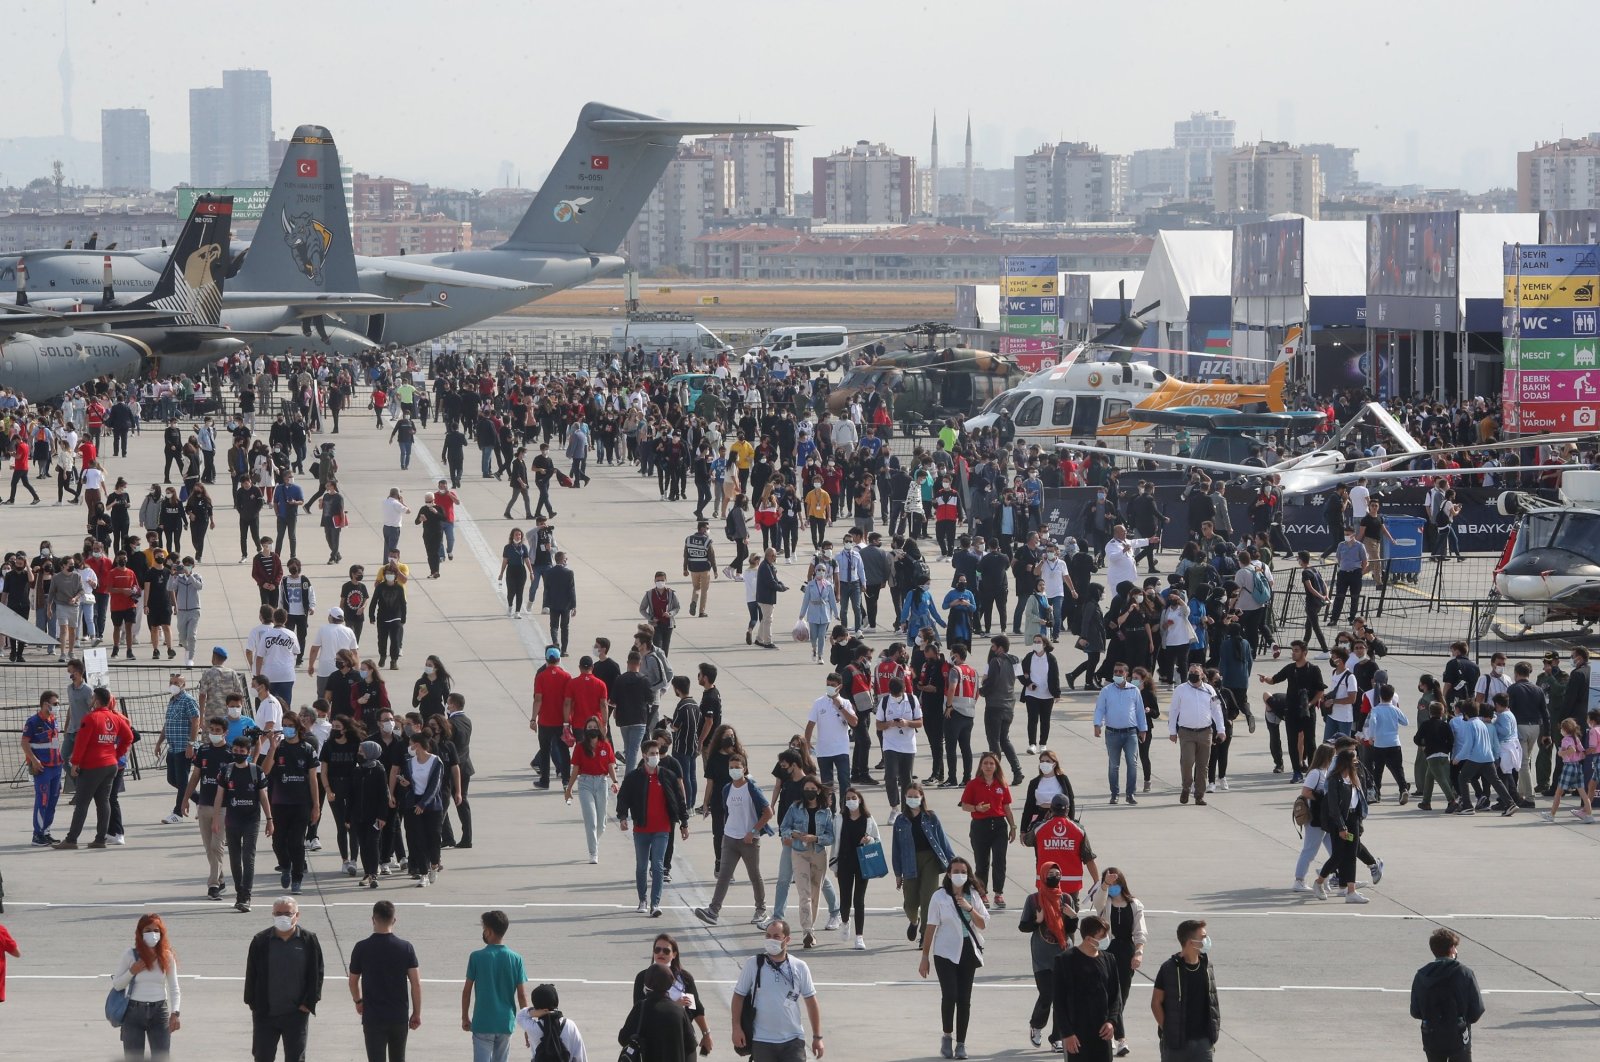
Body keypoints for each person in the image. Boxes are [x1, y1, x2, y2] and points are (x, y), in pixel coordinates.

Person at [918, 855, 989, 1060]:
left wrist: (970, 908)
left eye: (963, 872)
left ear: (968, 875)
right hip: (945, 952)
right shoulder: (939, 897)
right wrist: (925, 957)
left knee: (964, 1000)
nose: (959, 875)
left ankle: (961, 1044)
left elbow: (983, 923)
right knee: (950, 995)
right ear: (948, 874)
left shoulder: (973, 895)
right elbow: (931, 927)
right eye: (956, 871)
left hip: (968, 951)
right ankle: (947, 1037)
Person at [693, 750, 774, 927]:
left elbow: (768, 812)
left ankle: (761, 910)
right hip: (730, 838)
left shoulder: (752, 788)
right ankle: (713, 911)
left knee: (754, 875)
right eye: (731, 767)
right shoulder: (727, 789)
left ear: (744, 769)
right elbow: (727, 811)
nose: (734, 770)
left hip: (749, 841)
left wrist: (752, 832)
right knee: (724, 875)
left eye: (738, 767)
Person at [243, 896, 326, 1062]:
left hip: (296, 1014)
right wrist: (253, 1004)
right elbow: (251, 974)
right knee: (262, 1057)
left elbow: (317, 973)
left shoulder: (309, 940)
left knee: (295, 1058)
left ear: (297, 915)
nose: (282, 917)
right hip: (265, 1014)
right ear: (272, 914)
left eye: (287, 913)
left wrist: (309, 1003)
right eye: (278, 913)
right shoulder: (260, 941)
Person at [730, 919, 825, 1061]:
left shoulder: (799, 967)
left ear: (787, 940)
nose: (770, 940)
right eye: (768, 936)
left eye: (776, 936)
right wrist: (736, 1028)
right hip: (762, 1040)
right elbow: (738, 996)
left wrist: (817, 1037)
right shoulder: (753, 964)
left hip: (793, 1040)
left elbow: (811, 1002)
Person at [54, 686, 134, 850]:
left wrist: (75, 763)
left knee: (82, 803)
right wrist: (116, 754)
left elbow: (81, 743)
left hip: (92, 766)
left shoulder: (90, 718)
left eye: (92, 698)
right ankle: (100, 839)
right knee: (103, 802)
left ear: (96, 700)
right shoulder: (116, 718)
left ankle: (71, 839)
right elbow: (129, 737)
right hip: (110, 765)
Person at [617, 738, 690, 917]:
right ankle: (643, 899)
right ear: (644, 755)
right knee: (642, 866)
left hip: (662, 829)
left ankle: (655, 904)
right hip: (641, 830)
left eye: (657, 754)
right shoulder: (634, 777)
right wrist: (623, 817)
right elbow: (623, 798)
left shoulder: (667, 776)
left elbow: (679, 801)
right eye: (651, 754)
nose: (655, 757)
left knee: (657, 865)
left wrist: (684, 823)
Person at [348, 900, 422, 1062]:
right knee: (398, 1058)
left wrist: (358, 1000)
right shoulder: (406, 947)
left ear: (373, 919)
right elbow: (415, 984)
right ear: (394, 920)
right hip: (398, 1015)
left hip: (373, 1016)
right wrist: (416, 1013)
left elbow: (353, 981)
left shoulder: (361, 947)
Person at [1019, 862, 1078, 1051]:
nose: (1054, 877)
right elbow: (1023, 927)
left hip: (1064, 955)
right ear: (1043, 876)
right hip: (1042, 957)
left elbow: (1070, 930)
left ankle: (1057, 1037)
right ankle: (1036, 1025)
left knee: (1063, 997)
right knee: (1047, 994)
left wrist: (1073, 918)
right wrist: (1037, 921)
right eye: (1050, 873)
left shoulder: (1066, 899)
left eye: (1057, 873)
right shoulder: (1034, 900)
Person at [1093, 868, 1148, 1057]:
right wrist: (1105, 885)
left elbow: (1140, 931)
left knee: (1121, 996)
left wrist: (1139, 953)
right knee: (1109, 994)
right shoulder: (1104, 901)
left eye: (1115, 883)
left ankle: (1110, 1032)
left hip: (1126, 952)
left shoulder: (1134, 904)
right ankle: (1121, 1039)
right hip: (1106, 950)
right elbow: (1097, 902)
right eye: (1109, 882)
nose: (1113, 887)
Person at [111, 913, 181, 1058]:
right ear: (140, 933)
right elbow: (117, 985)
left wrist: (175, 1013)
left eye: (156, 931)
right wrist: (132, 971)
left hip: (159, 1012)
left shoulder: (167, 956)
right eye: (148, 930)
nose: (152, 934)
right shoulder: (130, 955)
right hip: (133, 1012)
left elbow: (174, 987)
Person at [1054, 913, 1123, 1062]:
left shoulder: (1109, 959)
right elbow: (1059, 1002)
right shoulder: (1065, 960)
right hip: (1076, 1034)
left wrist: (1112, 1022)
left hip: (1102, 1033)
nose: (1106, 938)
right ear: (1088, 938)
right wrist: (1067, 1034)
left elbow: (1115, 996)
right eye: (1102, 935)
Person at [1150, 919, 1221, 1062]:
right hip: (1176, 1045)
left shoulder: (1207, 967)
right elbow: (1156, 1002)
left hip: (1203, 1043)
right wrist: (1168, 1029)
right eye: (1203, 937)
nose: (1206, 940)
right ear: (1190, 942)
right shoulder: (1168, 968)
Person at [1410, 927, 1485, 1062]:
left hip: (1431, 1034)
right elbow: (1477, 1009)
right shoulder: (1464, 973)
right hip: (1458, 1034)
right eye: (1455, 948)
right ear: (1451, 949)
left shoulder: (1421, 975)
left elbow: (1415, 1011)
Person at [463, 910, 529, 1062]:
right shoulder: (516, 959)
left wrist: (465, 1017)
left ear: (489, 931)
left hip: (483, 1022)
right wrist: (527, 1026)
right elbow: (521, 995)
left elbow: (467, 991)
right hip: (505, 1022)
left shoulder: (476, 957)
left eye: (484, 929)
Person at [891, 781, 953, 943]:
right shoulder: (900, 820)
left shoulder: (931, 817)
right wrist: (898, 873)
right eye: (909, 796)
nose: (912, 799)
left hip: (930, 861)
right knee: (910, 903)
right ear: (905, 798)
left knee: (928, 900)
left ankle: (924, 935)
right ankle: (914, 920)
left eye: (915, 796)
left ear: (922, 797)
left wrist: (953, 865)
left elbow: (943, 841)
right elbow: (896, 848)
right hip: (909, 862)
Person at [779, 774, 836, 949]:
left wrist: (816, 838)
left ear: (818, 790)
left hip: (818, 852)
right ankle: (807, 931)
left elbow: (830, 836)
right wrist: (794, 834)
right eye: (806, 789)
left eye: (813, 789)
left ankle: (811, 928)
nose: (809, 792)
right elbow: (784, 827)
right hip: (799, 851)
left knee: (815, 892)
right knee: (804, 894)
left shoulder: (825, 811)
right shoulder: (795, 807)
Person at [267, 714, 322, 895]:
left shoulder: (307, 749)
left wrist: (316, 806)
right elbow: (264, 771)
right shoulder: (278, 747)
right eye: (284, 725)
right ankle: (285, 866)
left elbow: (313, 779)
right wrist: (272, 749)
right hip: (279, 803)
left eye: (290, 725)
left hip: (301, 803)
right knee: (278, 841)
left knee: (296, 843)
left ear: (298, 727)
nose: (287, 728)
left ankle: (297, 878)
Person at [631, 934, 712, 1056]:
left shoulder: (685, 978)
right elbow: (640, 1008)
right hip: (653, 1039)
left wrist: (706, 1034)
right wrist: (675, 1006)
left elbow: (696, 1009)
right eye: (657, 950)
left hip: (682, 1037)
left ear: (674, 954)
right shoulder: (643, 977)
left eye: (666, 950)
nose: (661, 953)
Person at [1312, 747, 1371, 903]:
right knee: (1338, 855)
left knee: (1351, 855)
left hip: (1353, 819)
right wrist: (1341, 827)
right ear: (1346, 762)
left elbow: (1359, 803)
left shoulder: (1355, 778)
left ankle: (1351, 892)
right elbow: (1334, 807)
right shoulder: (1334, 780)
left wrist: (1359, 822)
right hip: (1339, 821)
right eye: (1354, 760)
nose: (1357, 762)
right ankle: (1319, 882)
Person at [958, 751, 1015, 909]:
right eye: (985, 763)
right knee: (981, 862)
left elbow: (1007, 807)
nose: (988, 766)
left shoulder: (1001, 784)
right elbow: (964, 805)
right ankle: (982, 893)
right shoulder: (973, 784)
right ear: (981, 766)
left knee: (999, 861)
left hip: (999, 826)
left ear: (996, 766)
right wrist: (976, 808)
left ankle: (999, 893)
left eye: (991, 763)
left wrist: (1013, 826)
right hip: (980, 826)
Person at [392, 731, 445, 886]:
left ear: (417, 744)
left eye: (411, 744)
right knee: (418, 839)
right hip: (412, 805)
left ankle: (434, 864)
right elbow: (412, 784)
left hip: (432, 806)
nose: (409, 747)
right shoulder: (409, 762)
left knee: (433, 838)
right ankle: (423, 873)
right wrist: (407, 784)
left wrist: (423, 804)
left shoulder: (436, 762)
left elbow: (435, 786)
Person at [1168, 665, 1226, 805]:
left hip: (1205, 732)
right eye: (1191, 672)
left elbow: (1216, 710)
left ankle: (1199, 795)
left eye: (1196, 672)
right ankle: (1186, 787)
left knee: (1202, 765)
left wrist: (1221, 729)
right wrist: (1172, 731)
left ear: (1202, 675)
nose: (1193, 674)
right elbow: (1174, 710)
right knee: (1187, 762)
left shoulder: (1209, 689)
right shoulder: (1181, 689)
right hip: (1186, 732)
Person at [1093, 662, 1148, 805]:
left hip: (1130, 733)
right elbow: (1100, 709)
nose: (1117, 674)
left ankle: (1130, 794)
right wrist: (1097, 724)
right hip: (1112, 733)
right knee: (1114, 765)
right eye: (1115, 671)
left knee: (1132, 763)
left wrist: (1143, 729)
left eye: (1120, 672)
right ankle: (1114, 794)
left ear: (1126, 674)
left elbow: (1139, 711)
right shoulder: (1107, 690)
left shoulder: (1134, 690)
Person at [833, 787, 879, 950]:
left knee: (859, 900)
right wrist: (835, 865)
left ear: (860, 800)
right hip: (845, 863)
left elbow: (877, 839)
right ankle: (845, 921)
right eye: (848, 798)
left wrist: (869, 840)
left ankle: (859, 936)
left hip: (862, 864)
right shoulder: (839, 818)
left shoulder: (868, 819)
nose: (851, 801)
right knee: (845, 900)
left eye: (854, 797)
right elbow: (835, 842)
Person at [622, 963, 697, 1062]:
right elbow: (691, 1044)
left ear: (647, 983)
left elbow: (623, 1038)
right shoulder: (679, 1010)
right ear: (670, 983)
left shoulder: (641, 1008)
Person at [154, 673, 200, 824]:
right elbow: (167, 724)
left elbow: (195, 721)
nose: (173, 685)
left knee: (181, 781)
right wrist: (159, 742)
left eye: (177, 682)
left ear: (183, 685)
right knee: (172, 779)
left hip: (183, 747)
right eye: (171, 682)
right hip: (172, 747)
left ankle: (178, 813)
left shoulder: (188, 700)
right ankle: (199, 799)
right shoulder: (172, 701)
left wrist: (191, 744)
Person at [22, 690, 64, 846]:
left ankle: (46, 831)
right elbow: (24, 743)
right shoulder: (32, 722)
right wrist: (33, 760)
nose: (57, 706)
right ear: (45, 704)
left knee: (53, 800)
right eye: (55, 704)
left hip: (56, 766)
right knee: (43, 800)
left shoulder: (54, 719)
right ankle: (37, 835)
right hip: (42, 767)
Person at [516, 983, 588, 1062]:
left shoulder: (533, 1027)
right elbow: (580, 1057)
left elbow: (520, 1016)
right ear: (556, 1001)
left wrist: (535, 1012)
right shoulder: (570, 1025)